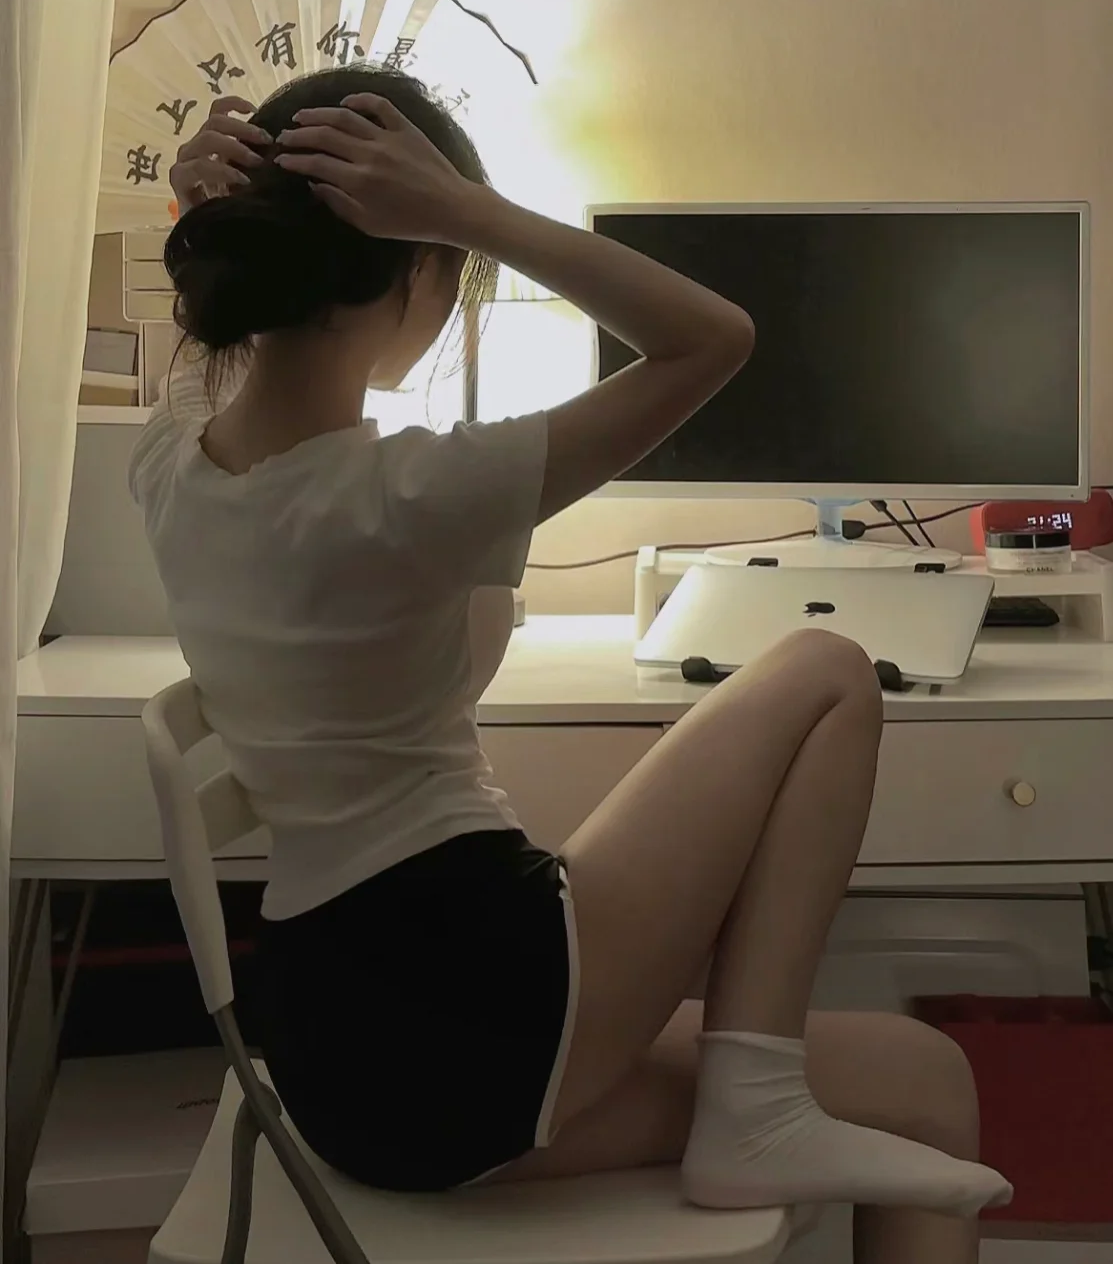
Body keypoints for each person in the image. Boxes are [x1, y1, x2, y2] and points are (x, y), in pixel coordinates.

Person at [130, 67, 1010, 1264]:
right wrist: (471, 212)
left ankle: (756, 1099)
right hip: (474, 1009)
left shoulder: (170, 468)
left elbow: (206, 369)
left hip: (336, 1060)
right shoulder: (410, 494)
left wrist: (207, 215)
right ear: (420, 262)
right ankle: (755, 1106)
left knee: (922, 1076)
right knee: (828, 668)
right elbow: (717, 337)